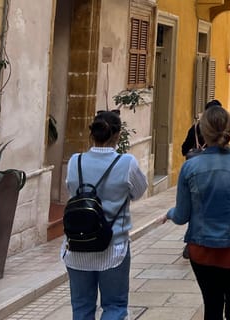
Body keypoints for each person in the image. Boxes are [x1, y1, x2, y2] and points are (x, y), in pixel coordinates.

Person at [162, 106, 230, 320]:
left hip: (201, 251)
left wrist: (169, 213)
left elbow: (181, 216)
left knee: (212, 306)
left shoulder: (190, 167)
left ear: (203, 132)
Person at [62, 110, 148, 320]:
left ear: (92, 134)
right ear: (118, 135)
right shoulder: (126, 163)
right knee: (114, 306)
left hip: (78, 246)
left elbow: (72, 190)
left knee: (81, 308)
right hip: (113, 246)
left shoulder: (75, 161)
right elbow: (139, 191)